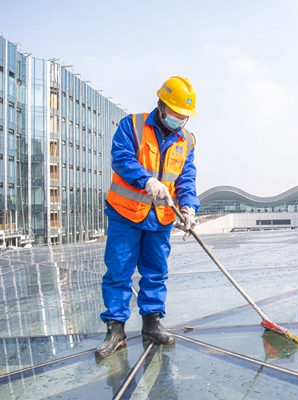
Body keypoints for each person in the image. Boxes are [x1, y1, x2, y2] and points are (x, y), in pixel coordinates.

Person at [95, 76, 200, 358]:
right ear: (161, 105)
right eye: (177, 113)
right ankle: (115, 328)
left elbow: (186, 180)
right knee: (119, 271)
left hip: (161, 219)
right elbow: (121, 158)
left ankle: (151, 324)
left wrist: (189, 207)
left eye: (185, 116)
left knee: (156, 273)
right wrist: (147, 181)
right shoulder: (132, 125)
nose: (181, 119)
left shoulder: (186, 140)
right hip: (126, 214)